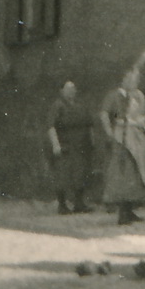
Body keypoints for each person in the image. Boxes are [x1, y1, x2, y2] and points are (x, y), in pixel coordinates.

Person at [101, 74, 145, 226]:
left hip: (137, 137)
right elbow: (104, 114)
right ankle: (122, 213)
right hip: (122, 138)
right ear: (124, 80)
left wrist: (143, 120)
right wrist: (110, 133)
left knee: (136, 174)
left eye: (136, 80)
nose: (134, 83)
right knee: (123, 173)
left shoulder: (138, 96)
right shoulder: (114, 96)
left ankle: (130, 210)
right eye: (131, 80)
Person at [47, 80, 96, 214]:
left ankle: (79, 203)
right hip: (65, 146)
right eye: (68, 89)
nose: (71, 91)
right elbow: (51, 126)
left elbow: (89, 124)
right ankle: (62, 205)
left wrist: (92, 140)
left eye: (73, 88)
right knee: (63, 175)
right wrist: (55, 144)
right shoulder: (58, 106)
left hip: (80, 146)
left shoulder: (80, 105)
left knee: (80, 174)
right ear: (61, 91)